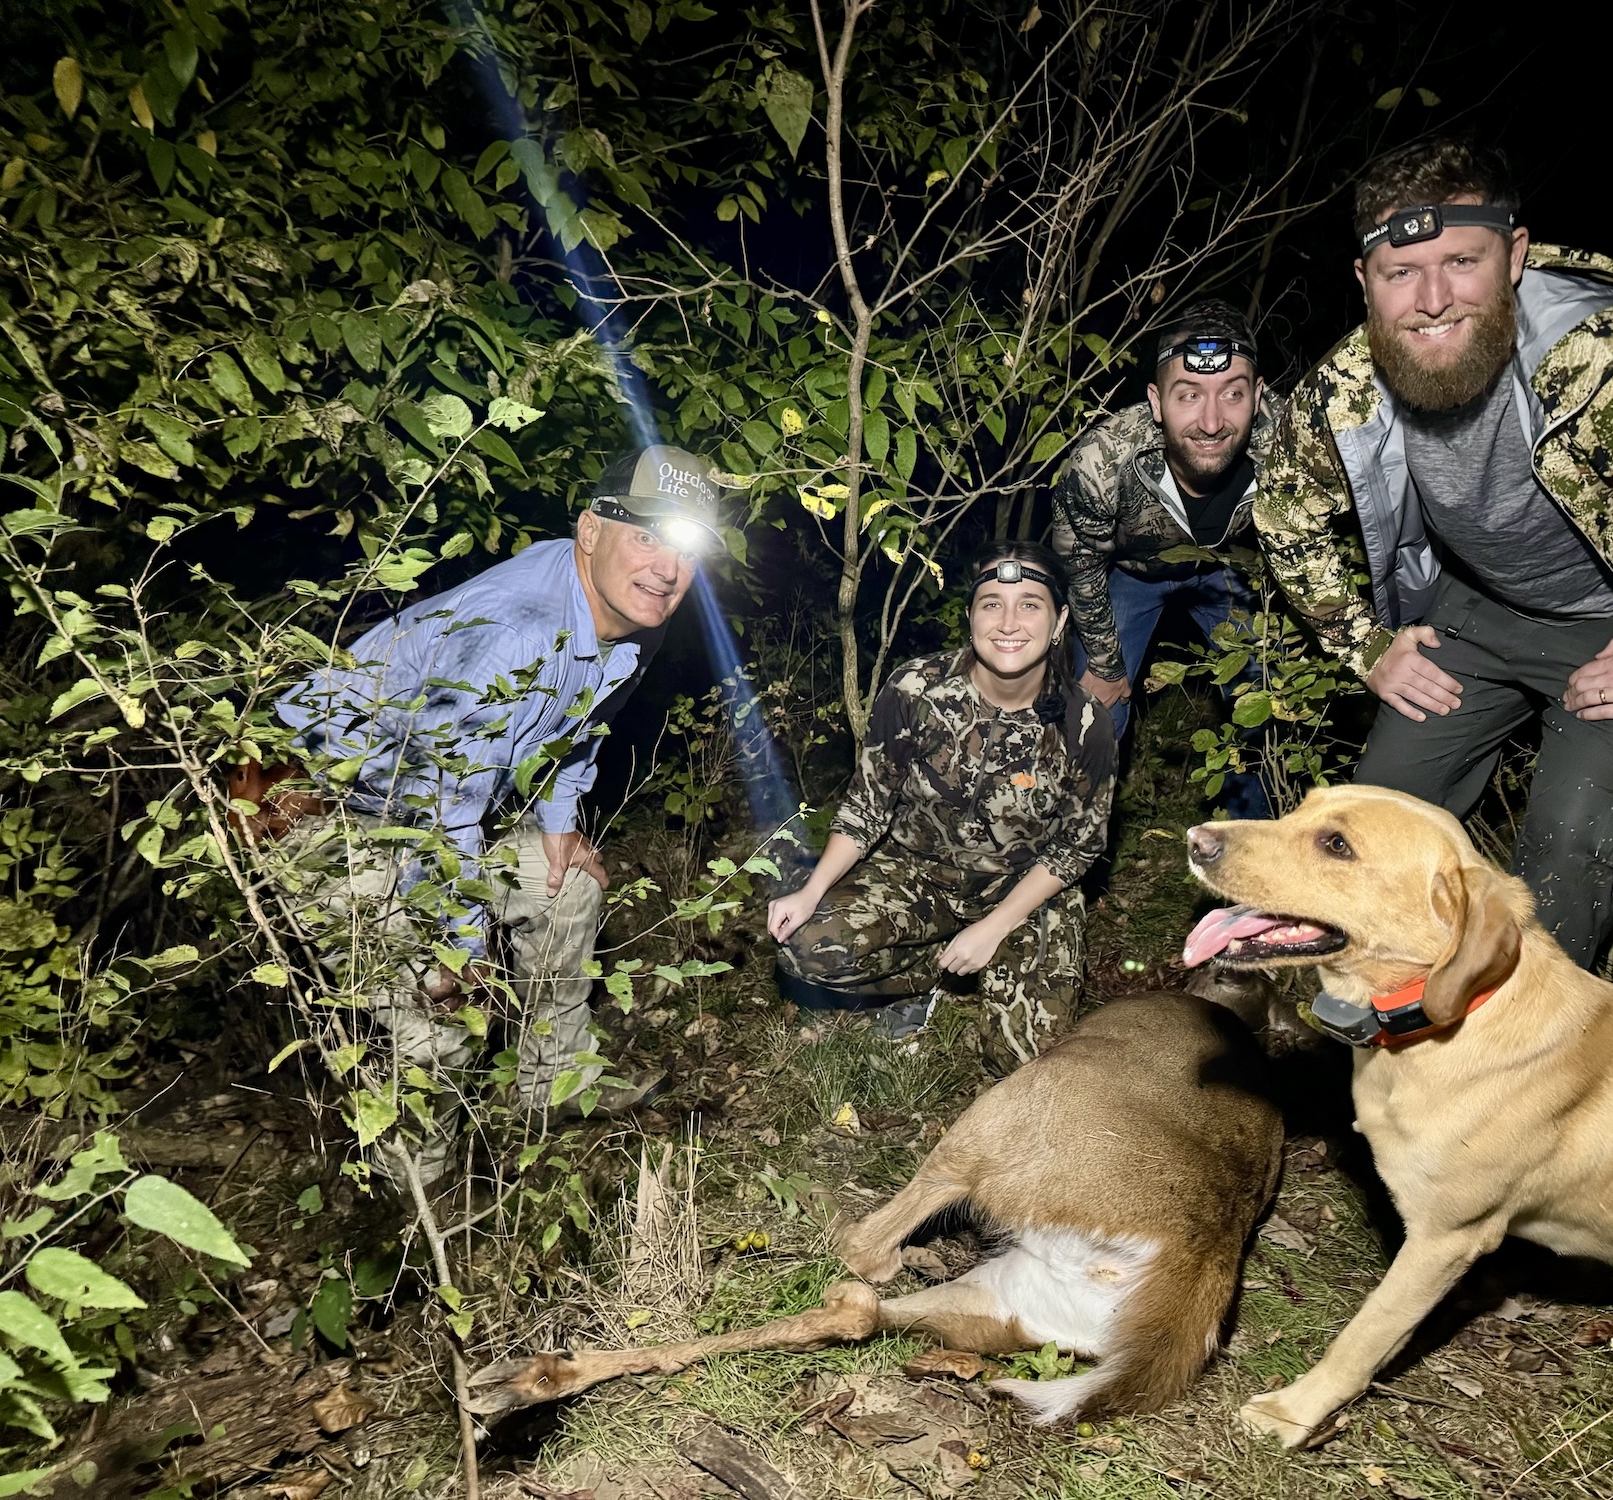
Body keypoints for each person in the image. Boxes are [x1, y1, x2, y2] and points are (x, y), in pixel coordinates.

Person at [1255, 138, 1613, 968]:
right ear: (1364, 281)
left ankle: (1526, 1046)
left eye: (1463, 261)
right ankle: (1380, 1002)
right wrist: (1366, 647)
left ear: (1516, 254)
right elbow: (1285, 516)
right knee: (1376, 805)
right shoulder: (1347, 384)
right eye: (1400, 272)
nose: (1431, 300)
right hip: (1476, 607)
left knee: (1574, 837)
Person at [269, 443, 725, 1192]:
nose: (667, 568)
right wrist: (459, 945)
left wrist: (558, 820)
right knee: (437, 1022)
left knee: (565, 887)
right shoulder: (514, 631)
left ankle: (555, 1084)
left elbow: (583, 718)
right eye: (647, 535)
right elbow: (439, 801)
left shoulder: (631, 613)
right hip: (310, 808)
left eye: (684, 548)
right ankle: (412, 1199)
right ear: (591, 530)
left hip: (422, 804)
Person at [767, 541, 1115, 1065]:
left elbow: (1076, 850)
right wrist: (811, 890)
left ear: (1060, 620)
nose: (1009, 622)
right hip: (917, 875)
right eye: (992, 603)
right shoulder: (916, 690)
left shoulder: (1084, 723)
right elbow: (868, 805)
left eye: (1030, 604)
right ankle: (930, 971)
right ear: (971, 615)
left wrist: (994, 926)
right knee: (809, 943)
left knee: (1025, 1058)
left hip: (1022, 891)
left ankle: (983, 960)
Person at [1050, 298, 1281, 818]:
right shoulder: (1103, 461)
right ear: (1156, 402)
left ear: (1259, 397)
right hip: (1131, 576)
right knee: (1095, 712)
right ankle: (1063, 866)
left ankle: (1254, 866)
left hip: (1227, 566)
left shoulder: (1287, 444)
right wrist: (1107, 665)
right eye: (1189, 395)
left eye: (1234, 394)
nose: (1212, 420)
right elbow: (1079, 559)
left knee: (1264, 700)